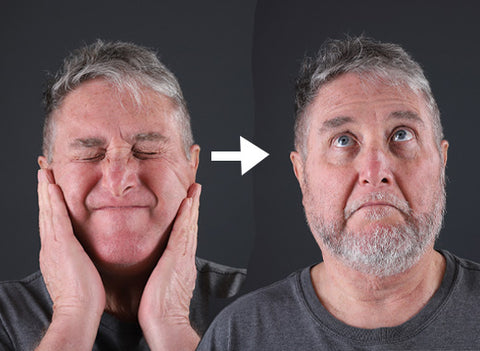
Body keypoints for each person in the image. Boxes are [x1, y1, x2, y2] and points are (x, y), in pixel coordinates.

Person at [197, 36, 480, 350]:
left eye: (402, 134)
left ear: (441, 161)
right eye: (343, 140)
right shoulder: (240, 336)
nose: (375, 171)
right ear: (302, 175)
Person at [0, 40, 246, 350]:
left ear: (191, 167)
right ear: (47, 177)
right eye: (90, 154)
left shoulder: (259, 304)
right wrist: (73, 313)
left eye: (147, 151)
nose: (119, 182)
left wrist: (170, 323)